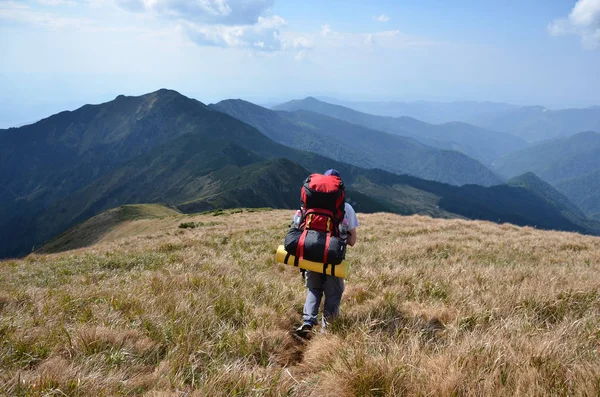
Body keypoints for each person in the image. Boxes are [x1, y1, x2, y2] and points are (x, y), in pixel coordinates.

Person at [296, 169, 359, 335]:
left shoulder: (308, 204)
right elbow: (352, 241)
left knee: (314, 288)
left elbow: (297, 225)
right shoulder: (346, 208)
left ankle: (308, 321)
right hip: (333, 257)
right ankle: (327, 330)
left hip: (310, 252)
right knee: (333, 293)